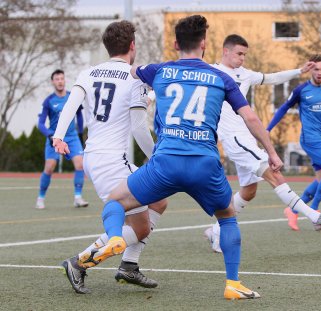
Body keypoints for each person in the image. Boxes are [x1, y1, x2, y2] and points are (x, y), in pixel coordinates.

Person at [58, 15, 279, 300]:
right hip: (204, 164)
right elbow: (249, 117)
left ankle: (115, 240)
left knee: (116, 202)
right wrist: (271, 153)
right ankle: (233, 284)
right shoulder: (221, 77)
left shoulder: (159, 70)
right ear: (204, 44)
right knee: (227, 217)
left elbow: (133, 71)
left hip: (165, 163)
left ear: (175, 43)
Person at [53, 20, 168, 294]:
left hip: (94, 155)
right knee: (140, 229)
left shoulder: (89, 72)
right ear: (132, 46)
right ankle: (79, 263)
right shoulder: (134, 76)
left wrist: (58, 135)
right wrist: (157, 157)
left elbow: (71, 104)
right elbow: (139, 127)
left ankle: (129, 266)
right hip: (114, 161)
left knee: (160, 202)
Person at [203, 34, 321, 251]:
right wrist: (152, 96)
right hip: (234, 138)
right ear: (225, 51)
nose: (242, 58)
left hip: (246, 136)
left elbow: (271, 78)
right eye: (239, 54)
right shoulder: (211, 71)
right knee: (274, 174)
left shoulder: (244, 74)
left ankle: (215, 231)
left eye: (245, 55)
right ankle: (314, 216)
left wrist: (299, 71)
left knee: (249, 191)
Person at [267, 53, 321, 231]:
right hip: (310, 139)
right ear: (311, 69)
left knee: (320, 180)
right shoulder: (301, 90)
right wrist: (267, 129)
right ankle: (315, 212)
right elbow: (283, 109)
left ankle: (293, 211)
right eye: (316, 69)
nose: (319, 73)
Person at [36, 69, 88, 209]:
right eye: (57, 79)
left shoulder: (73, 96)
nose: (60, 81)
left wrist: (80, 133)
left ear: (65, 80)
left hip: (72, 137)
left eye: (62, 79)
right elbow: (40, 123)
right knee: (49, 168)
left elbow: (79, 116)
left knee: (80, 165)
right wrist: (49, 135)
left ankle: (78, 197)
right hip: (55, 137)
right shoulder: (49, 101)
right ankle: (40, 198)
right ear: (53, 82)